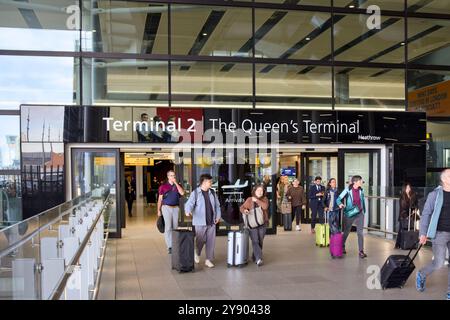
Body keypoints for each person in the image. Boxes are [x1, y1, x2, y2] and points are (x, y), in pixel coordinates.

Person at [416, 169, 450, 300]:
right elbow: (426, 214)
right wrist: (423, 233)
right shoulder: (435, 195)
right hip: (440, 233)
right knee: (439, 263)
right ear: (444, 180)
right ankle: (422, 274)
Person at [185, 174, 221, 268]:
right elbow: (189, 203)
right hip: (200, 222)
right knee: (200, 240)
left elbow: (217, 206)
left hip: (212, 221)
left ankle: (208, 259)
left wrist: (218, 216)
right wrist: (187, 211)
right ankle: (197, 252)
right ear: (204, 182)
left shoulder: (212, 192)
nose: (211, 183)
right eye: (210, 181)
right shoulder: (196, 193)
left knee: (210, 241)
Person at [336, 175, 367, 258]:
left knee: (360, 233)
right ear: (355, 182)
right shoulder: (348, 190)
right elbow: (338, 199)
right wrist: (340, 204)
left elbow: (362, 200)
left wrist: (363, 210)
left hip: (360, 213)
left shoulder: (361, 190)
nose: (361, 182)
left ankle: (361, 251)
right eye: (360, 181)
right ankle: (342, 246)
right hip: (350, 213)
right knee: (346, 231)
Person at [240, 184, 269, 266]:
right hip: (252, 225)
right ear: (254, 191)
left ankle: (255, 255)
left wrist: (256, 200)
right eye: (258, 190)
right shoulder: (249, 199)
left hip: (262, 224)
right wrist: (245, 210)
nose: (260, 192)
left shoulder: (265, 199)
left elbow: (265, 207)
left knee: (260, 241)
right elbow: (241, 208)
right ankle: (259, 258)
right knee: (255, 241)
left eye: (262, 190)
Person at [157, 170, 185, 254]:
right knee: (168, 227)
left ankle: (175, 244)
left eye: (174, 176)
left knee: (175, 227)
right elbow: (160, 199)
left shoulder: (178, 186)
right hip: (166, 207)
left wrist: (176, 183)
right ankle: (169, 246)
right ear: (168, 176)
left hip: (176, 208)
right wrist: (158, 210)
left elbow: (182, 193)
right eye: (171, 176)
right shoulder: (163, 187)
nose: (173, 177)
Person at [395, 182, 419, 249]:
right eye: (407, 188)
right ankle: (399, 244)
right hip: (403, 216)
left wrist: (415, 209)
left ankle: (407, 243)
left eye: (409, 187)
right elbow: (403, 207)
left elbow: (416, 203)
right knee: (401, 230)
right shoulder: (402, 197)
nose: (409, 189)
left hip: (411, 216)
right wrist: (406, 216)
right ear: (404, 189)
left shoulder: (412, 195)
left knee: (409, 230)